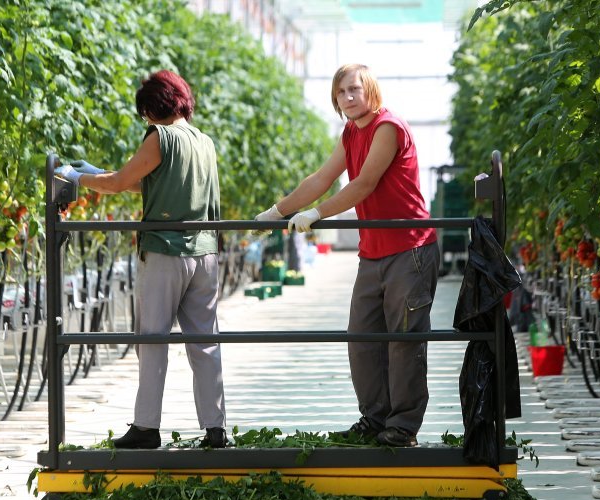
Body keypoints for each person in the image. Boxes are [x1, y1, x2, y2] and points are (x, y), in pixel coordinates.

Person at [255, 64, 439, 447]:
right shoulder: (350, 132)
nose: (348, 97)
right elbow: (322, 179)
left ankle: (403, 427)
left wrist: (318, 213)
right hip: (372, 252)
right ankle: (374, 419)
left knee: (403, 341)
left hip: (410, 249)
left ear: (370, 89)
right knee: (362, 339)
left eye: (354, 89)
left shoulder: (388, 127)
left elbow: (364, 183)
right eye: (341, 92)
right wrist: (279, 211)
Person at [54, 70, 227, 449]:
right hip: (205, 254)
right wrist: (97, 173)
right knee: (206, 343)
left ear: (153, 106)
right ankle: (216, 429)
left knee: (152, 341)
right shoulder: (203, 141)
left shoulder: (160, 137)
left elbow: (120, 184)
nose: (145, 119)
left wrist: (75, 178)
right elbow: (141, 179)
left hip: (165, 253)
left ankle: (147, 427)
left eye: (145, 112)